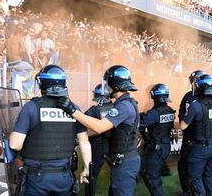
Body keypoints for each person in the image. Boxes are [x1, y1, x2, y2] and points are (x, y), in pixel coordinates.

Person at [57, 65, 140, 196]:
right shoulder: (125, 103)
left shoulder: (123, 106)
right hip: (123, 160)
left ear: (115, 85)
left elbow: (99, 127)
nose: (107, 87)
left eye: (108, 84)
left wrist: (72, 110)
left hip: (125, 163)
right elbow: (103, 129)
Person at [9, 65, 91, 196]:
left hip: (37, 178)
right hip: (64, 177)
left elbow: (15, 144)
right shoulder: (74, 109)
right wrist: (87, 168)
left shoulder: (31, 107)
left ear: (42, 83)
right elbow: (84, 142)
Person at [179, 74, 212, 195]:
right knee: (209, 175)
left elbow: (183, 126)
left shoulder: (196, 105)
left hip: (201, 148)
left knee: (194, 177)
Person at [140, 83, 175, 196]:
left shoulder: (154, 113)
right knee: (154, 173)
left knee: (151, 177)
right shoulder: (170, 110)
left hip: (156, 149)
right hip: (165, 147)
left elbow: (139, 124)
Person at [82, 84, 113, 196]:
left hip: (97, 146)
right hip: (114, 145)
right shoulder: (117, 108)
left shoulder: (94, 110)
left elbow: (82, 125)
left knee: (92, 175)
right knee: (116, 175)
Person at [177, 69, 204, 195]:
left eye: (195, 81)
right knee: (183, 164)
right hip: (187, 136)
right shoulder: (188, 96)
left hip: (200, 138)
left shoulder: (207, 98)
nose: (193, 84)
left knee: (197, 168)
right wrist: (184, 119)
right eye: (192, 81)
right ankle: (186, 190)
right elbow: (181, 109)